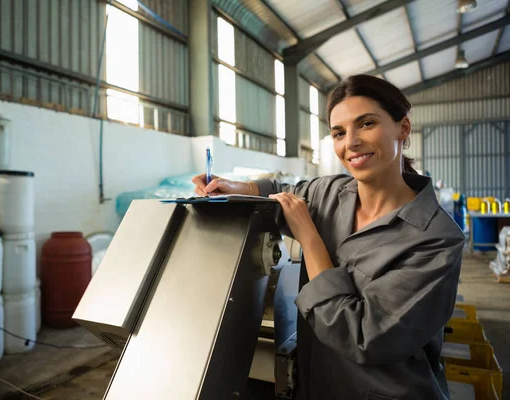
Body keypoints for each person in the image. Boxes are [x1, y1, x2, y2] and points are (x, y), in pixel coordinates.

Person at [192, 74, 464, 400]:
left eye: (366, 124)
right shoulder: (329, 192)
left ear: (402, 128)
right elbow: (280, 192)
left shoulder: (436, 239)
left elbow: (363, 337)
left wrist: (310, 238)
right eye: (339, 132)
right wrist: (235, 188)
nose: (351, 142)